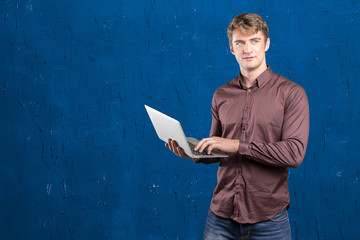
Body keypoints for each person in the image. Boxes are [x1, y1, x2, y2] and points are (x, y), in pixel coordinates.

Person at [166, 13, 309, 240]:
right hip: (221, 216)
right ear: (231, 48)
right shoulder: (221, 95)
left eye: (254, 41)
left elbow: (294, 154)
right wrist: (193, 152)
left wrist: (235, 145)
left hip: (268, 218)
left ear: (267, 44)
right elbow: (219, 148)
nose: (247, 49)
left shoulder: (292, 93)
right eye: (240, 43)